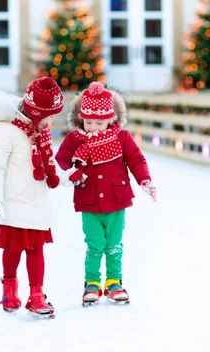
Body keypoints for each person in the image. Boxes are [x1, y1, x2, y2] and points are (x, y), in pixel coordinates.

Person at [55, 81, 157, 305]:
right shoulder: (75, 139)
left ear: (111, 119)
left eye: (99, 122)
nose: (92, 127)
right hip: (88, 201)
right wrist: (70, 173)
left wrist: (144, 180)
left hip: (116, 200)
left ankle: (114, 282)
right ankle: (91, 283)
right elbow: (60, 161)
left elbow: (136, 159)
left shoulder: (121, 138)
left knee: (114, 244)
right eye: (88, 121)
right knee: (94, 244)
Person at [0, 77, 64, 318]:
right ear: (38, 113)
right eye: (49, 116)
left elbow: (51, 167)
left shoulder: (40, 132)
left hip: (37, 200)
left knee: (36, 249)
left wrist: (72, 177)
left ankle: (37, 295)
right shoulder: (4, 130)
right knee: (12, 249)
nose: (52, 121)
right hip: (13, 202)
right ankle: (9, 286)